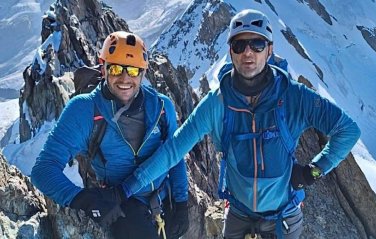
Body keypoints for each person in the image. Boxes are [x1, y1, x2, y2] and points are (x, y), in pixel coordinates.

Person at [109, 9, 360, 238]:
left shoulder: (294, 96)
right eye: (240, 45)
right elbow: (173, 151)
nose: (248, 52)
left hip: (282, 217)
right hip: (238, 216)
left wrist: (311, 172)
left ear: (269, 50)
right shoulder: (217, 103)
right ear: (231, 51)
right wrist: (124, 190)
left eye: (257, 43)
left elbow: (347, 130)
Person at [31, 31, 189, 239]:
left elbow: (175, 156)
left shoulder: (161, 106)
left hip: (163, 200)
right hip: (121, 205)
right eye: (116, 68)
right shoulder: (85, 110)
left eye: (133, 71)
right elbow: (43, 170)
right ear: (103, 68)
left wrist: (181, 203)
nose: (124, 78)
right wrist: (87, 201)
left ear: (143, 73)